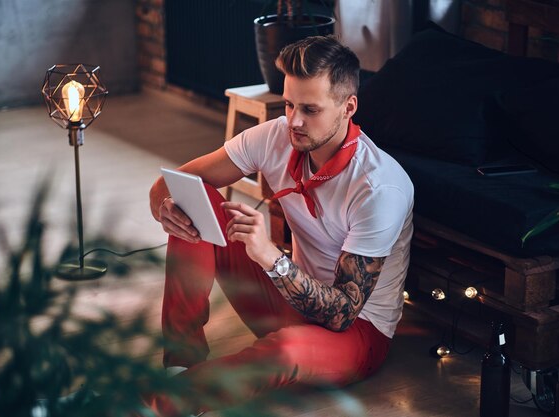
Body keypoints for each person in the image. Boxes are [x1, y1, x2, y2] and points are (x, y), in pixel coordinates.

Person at [147, 35, 414, 416]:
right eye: (289, 104)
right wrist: (165, 206)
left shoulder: (379, 187)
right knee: (194, 199)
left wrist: (272, 258)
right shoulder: (279, 135)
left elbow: (341, 313)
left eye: (310, 109)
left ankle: (157, 404)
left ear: (348, 107)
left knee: (285, 350)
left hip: (357, 334)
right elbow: (171, 182)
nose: (294, 120)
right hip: (290, 299)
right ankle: (180, 364)